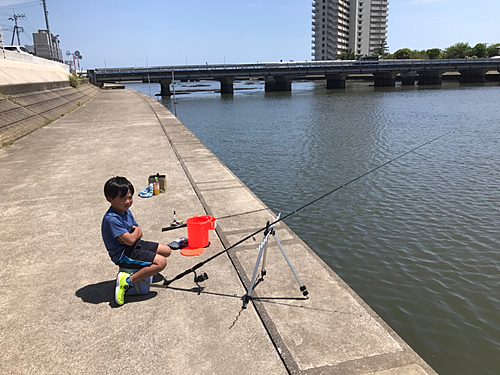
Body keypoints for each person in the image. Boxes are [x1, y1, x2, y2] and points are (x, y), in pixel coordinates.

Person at [101, 176, 171, 305]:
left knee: (167, 250)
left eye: (130, 197)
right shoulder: (112, 219)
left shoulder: (125, 211)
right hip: (123, 254)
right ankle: (127, 281)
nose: (128, 201)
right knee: (161, 263)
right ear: (109, 199)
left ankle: (144, 270)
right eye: (123, 198)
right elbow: (130, 240)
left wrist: (134, 234)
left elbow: (139, 232)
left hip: (133, 246)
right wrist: (134, 234)